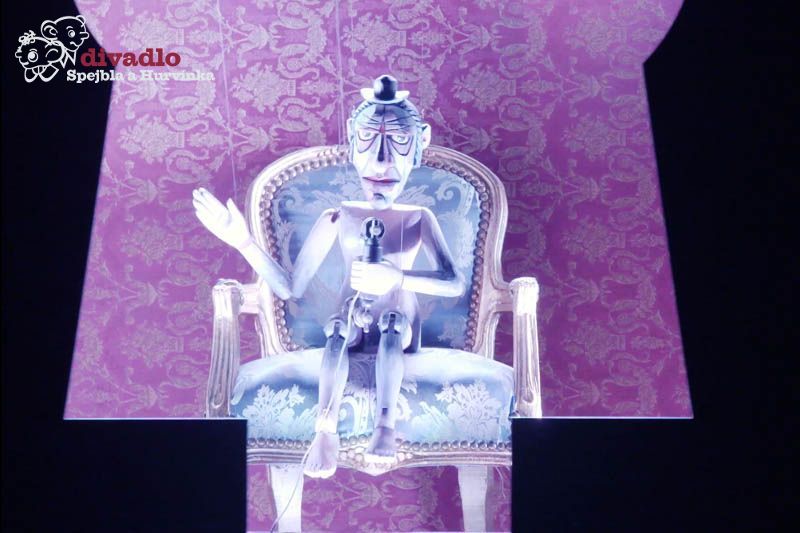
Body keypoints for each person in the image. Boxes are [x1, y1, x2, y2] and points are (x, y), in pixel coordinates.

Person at [192, 75, 464, 478]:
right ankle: (325, 429)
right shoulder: (338, 217)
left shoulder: (418, 218)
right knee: (336, 331)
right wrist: (244, 242)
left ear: (420, 142)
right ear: (352, 141)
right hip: (352, 316)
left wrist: (398, 279)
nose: (382, 161)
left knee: (392, 324)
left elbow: (454, 282)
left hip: (399, 320)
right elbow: (290, 288)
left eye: (398, 142)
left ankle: (385, 426)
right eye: (369, 140)